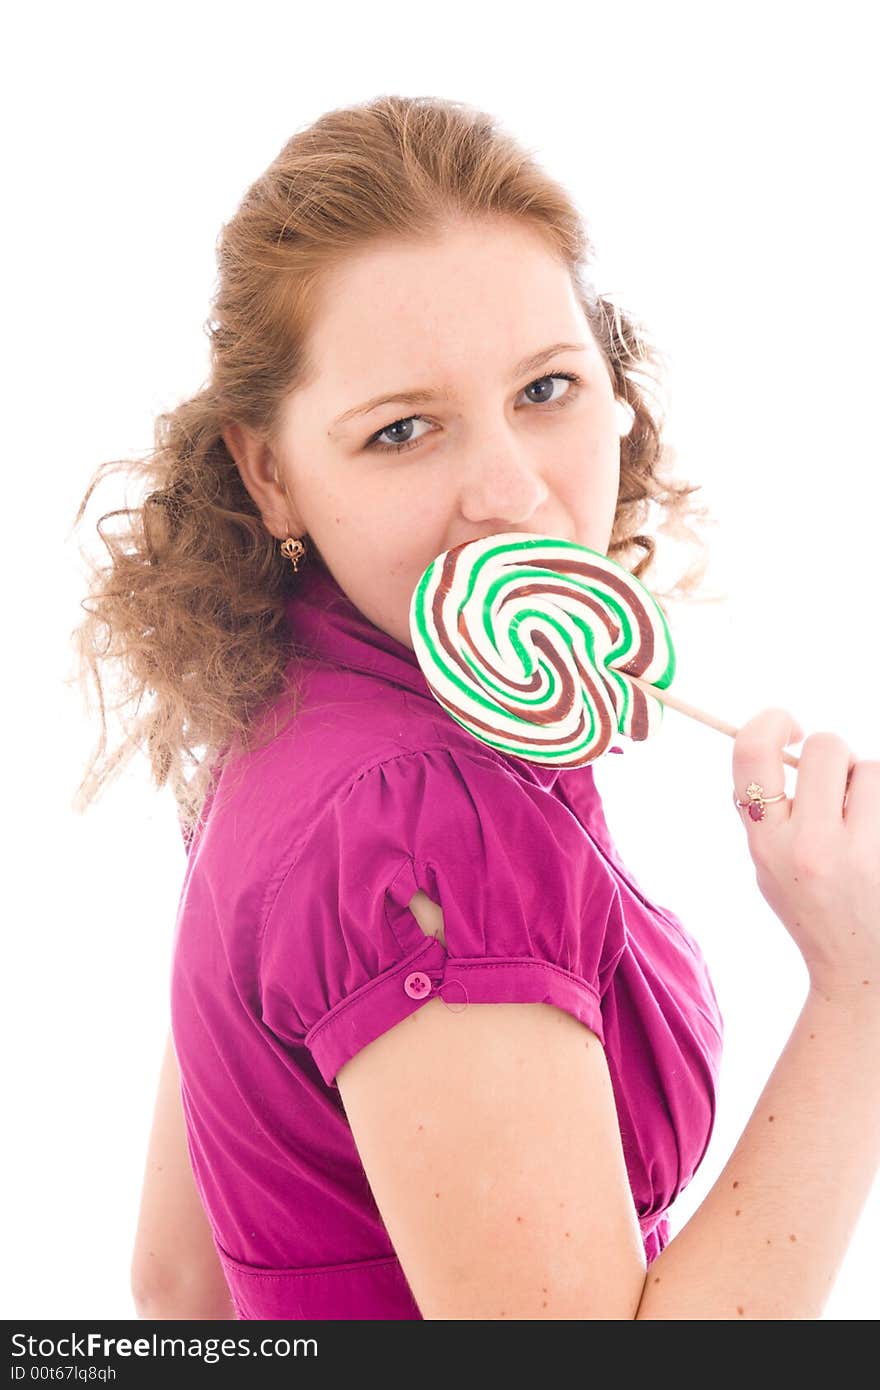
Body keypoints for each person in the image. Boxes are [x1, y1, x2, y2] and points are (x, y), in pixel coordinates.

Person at [71, 95, 880, 1321]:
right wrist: (860, 992)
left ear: (612, 382)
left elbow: (178, 1286)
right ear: (269, 471)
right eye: (402, 429)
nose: (511, 491)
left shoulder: (297, 709)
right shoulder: (416, 825)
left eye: (546, 388)